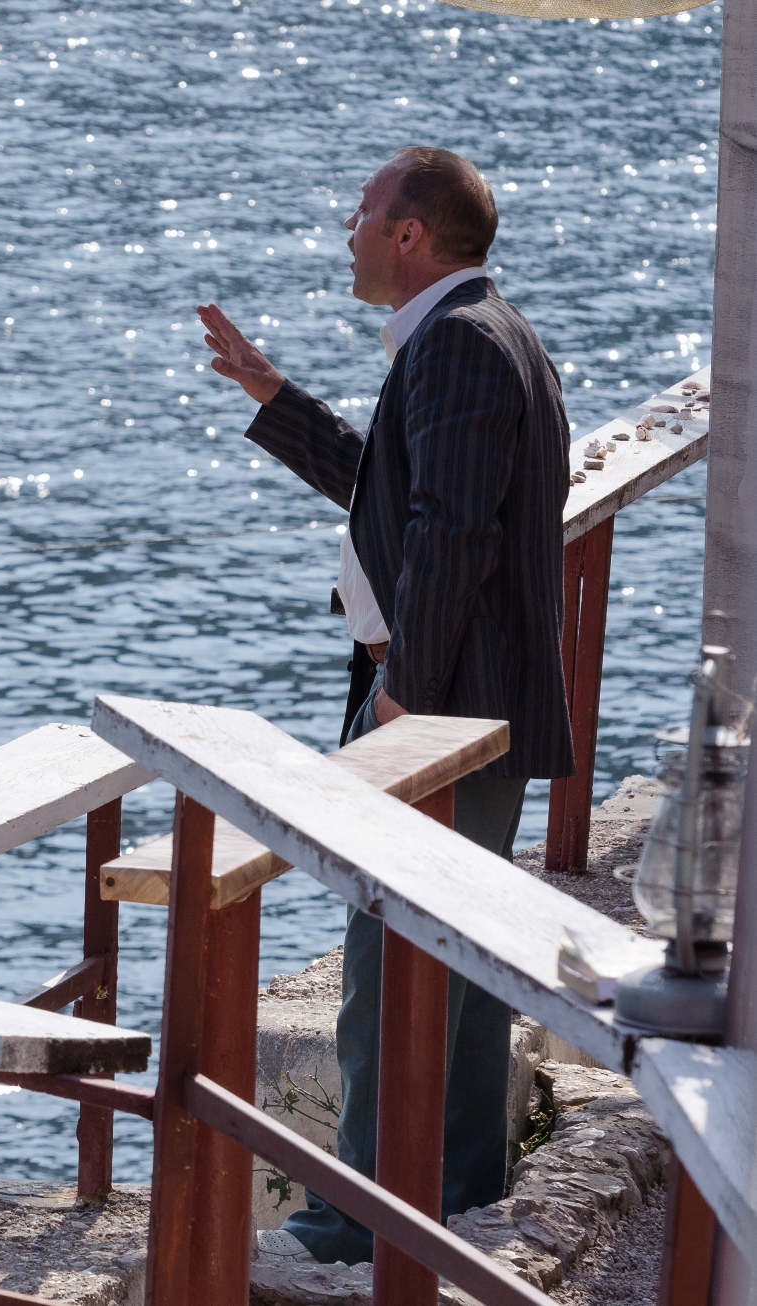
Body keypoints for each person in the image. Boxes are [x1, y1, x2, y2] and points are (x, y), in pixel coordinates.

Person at [199, 145, 573, 1265]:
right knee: (457, 960)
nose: (348, 228)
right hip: (468, 698)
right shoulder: (481, 331)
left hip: (442, 707)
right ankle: (453, 1195)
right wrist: (277, 399)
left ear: (409, 234)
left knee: (388, 963)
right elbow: (399, 489)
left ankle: (358, 1218)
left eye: (362, 211)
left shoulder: (457, 342)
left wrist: (405, 691)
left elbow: (449, 532)